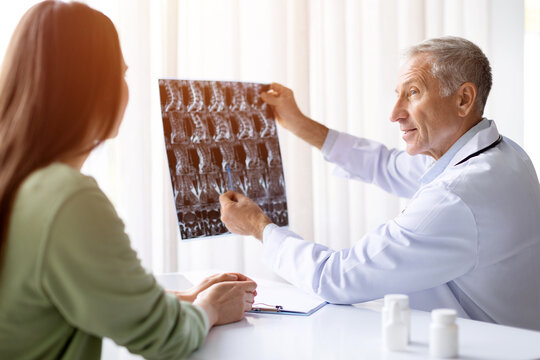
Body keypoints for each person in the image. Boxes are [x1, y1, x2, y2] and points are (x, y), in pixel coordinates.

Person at [219, 36, 540, 331]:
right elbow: (384, 165)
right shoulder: (501, 155)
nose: (394, 113)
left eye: (413, 93)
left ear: (463, 100)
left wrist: (259, 227)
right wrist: (299, 123)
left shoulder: (456, 198)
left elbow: (334, 277)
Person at [0, 2, 256, 359]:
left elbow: (89, 297)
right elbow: (163, 339)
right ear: (89, 88)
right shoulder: (66, 198)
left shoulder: (21, 181)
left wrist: (188, 296)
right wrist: (211, 308)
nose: (125, 89)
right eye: (120, 74)